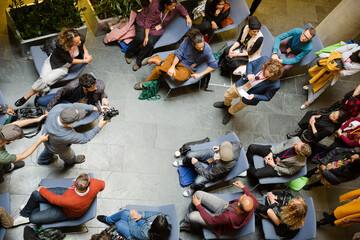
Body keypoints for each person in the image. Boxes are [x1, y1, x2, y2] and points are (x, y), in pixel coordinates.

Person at [15, 28, 93, 107]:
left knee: (45, 80)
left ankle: (28, 96)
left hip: (63, 68)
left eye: (79, 40)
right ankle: (38, 94)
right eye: (76, 42)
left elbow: (82, 43)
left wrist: (86, 53)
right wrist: (85, 61)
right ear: (69, 43)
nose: (79, 42)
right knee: (44, 80)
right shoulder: (60, 46)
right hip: (51, 62)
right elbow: (70, 60)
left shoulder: (79, 38)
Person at [134, 27, 218, 90]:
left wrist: (200, 74)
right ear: (192, 43)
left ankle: (158, 61)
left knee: (179, 77)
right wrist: (172, 66)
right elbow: (179, 54)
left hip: (188, 67)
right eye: (199, 47)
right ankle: (145, 84)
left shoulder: (207, 49)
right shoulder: (186, 41)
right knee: (158, 69)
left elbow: (214, 65)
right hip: (176, 58)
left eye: (202, 46)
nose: (201, 49)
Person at [12, 173, 105, 226]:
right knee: (35, 194)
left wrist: (42, 189)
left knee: (33, 218)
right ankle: (25, 213)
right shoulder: (94, 183)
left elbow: (54, 199)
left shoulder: (70, 201)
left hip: (67, 211)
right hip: (67, 194)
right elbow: (103, 185)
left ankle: (28, 215)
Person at [213, 56, 284, 125]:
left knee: (238, 106)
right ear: (266, 66)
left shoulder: (275, 85)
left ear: (274, 76)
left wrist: (254, 96)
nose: (265, 75)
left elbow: (267, 97)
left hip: (249, 96)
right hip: (241, 85)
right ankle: (226, 104)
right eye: (265, 72)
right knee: (227, 95)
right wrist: (249, 73)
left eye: (268, 76)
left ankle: (230, 112)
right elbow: (250, 64)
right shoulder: (264, 59)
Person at [125, 0, 192, 71]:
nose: (174, 7)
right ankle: (129, 54)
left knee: (150, 43)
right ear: (165, 5)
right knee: (140, 38)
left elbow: (181, 8)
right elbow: (148, 21)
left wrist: (187, 16)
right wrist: (146, 37)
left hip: (157, 27)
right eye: (172, 6)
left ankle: (139, 61)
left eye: (174, 6)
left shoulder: (174, 6)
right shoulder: (154, 5)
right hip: (144, 21)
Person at [179, 180, 258, 237]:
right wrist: (243, 187)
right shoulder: (251, 205)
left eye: (244, 196)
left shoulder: (229, 217)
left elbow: (211, 220)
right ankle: (189, 221)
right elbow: (255, 202)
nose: (245, 195)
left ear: (239, 204)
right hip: (225, 207)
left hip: (218, 222)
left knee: (192, 216)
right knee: (198, 194)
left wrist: (199, 206)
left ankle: (189, 225)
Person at [37, 103, 108, 165]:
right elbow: (85, 138)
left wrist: (95, 108)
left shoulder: (56, 108)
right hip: (59, 148)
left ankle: (41, 160)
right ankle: (71, 162)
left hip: (46, 138)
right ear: (72, 123)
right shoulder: (66, 135)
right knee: (69, 156)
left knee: (48, 149)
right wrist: (100, 126)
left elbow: (74, 105)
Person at [172, 140, 241, 197]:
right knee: (190, 155)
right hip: (215, 157)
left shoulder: (224, 166)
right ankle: (184, 162)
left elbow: (208, 174)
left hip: (213, 170)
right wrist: (220, 148)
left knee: (197, 182)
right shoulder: (236, 145)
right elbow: (237, 144)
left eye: (220, 154)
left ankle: (192, 189)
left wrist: (196, 164)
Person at [301, 43, 360, 109]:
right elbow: (338, 50)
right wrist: (332, 60)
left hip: (334, 73)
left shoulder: (359, 66)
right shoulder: (355, 46)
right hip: (329, 63)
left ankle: (309, 101)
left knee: (321, 86)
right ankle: (309, 87)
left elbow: (347, 73)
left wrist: (337, 68)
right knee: (316, 77)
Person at [0, 116, 48, 182]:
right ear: (11, 141)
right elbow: (23, 155)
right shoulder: (2, 157)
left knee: (6, 163)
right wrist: (39, 141)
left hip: (3, 160)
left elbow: (16, 124)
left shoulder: (2, 131)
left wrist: (37, 119)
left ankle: (9, 166)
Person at [246, 137, 312, 180]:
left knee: (256, 173)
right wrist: (271, 153)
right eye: (299, 143)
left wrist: (273, 165)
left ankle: (247, 167)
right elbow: (284, 143)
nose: (295, 143)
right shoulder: (296, 139)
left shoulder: (301, 163)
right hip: (275, 152)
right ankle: (249, 163)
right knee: (252, 147)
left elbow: (289, 171)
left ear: (298, 153)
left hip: (278, 166)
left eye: (296, 146)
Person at [38, 73, 109, 112]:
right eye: (93, 88)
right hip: (69, 99)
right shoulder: (71, 87)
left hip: (84, 103)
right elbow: (59, 93)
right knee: (40, 101)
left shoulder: (100, 84)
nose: (95, 88)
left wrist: (103, 97)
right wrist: (48, 109)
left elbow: (100, 90)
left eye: (95, 86)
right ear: (84, 88)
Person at [96, 209, 171, 240]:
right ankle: (108, 220)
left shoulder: (146, 234)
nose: (159, 216)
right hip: (145, 225)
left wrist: (131, 216)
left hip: (137, 235)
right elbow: (157, 214)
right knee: (124, 212)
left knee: (119, 224)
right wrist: (141, 215)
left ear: (153, 225)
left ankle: (112, 222)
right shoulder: (164, 220)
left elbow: (134, 232)